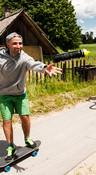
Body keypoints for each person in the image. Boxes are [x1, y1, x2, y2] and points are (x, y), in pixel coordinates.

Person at [0, 32, 62, 162]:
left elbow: (33, 63)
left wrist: (44, 68)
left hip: (20, 94)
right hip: (4, 94)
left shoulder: (24, 57)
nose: (18, 46)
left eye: (20, 43)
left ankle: (27, 138)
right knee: (7, 121)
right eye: (15, 43)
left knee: (25, 117)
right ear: (8, 44)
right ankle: (11, 146)